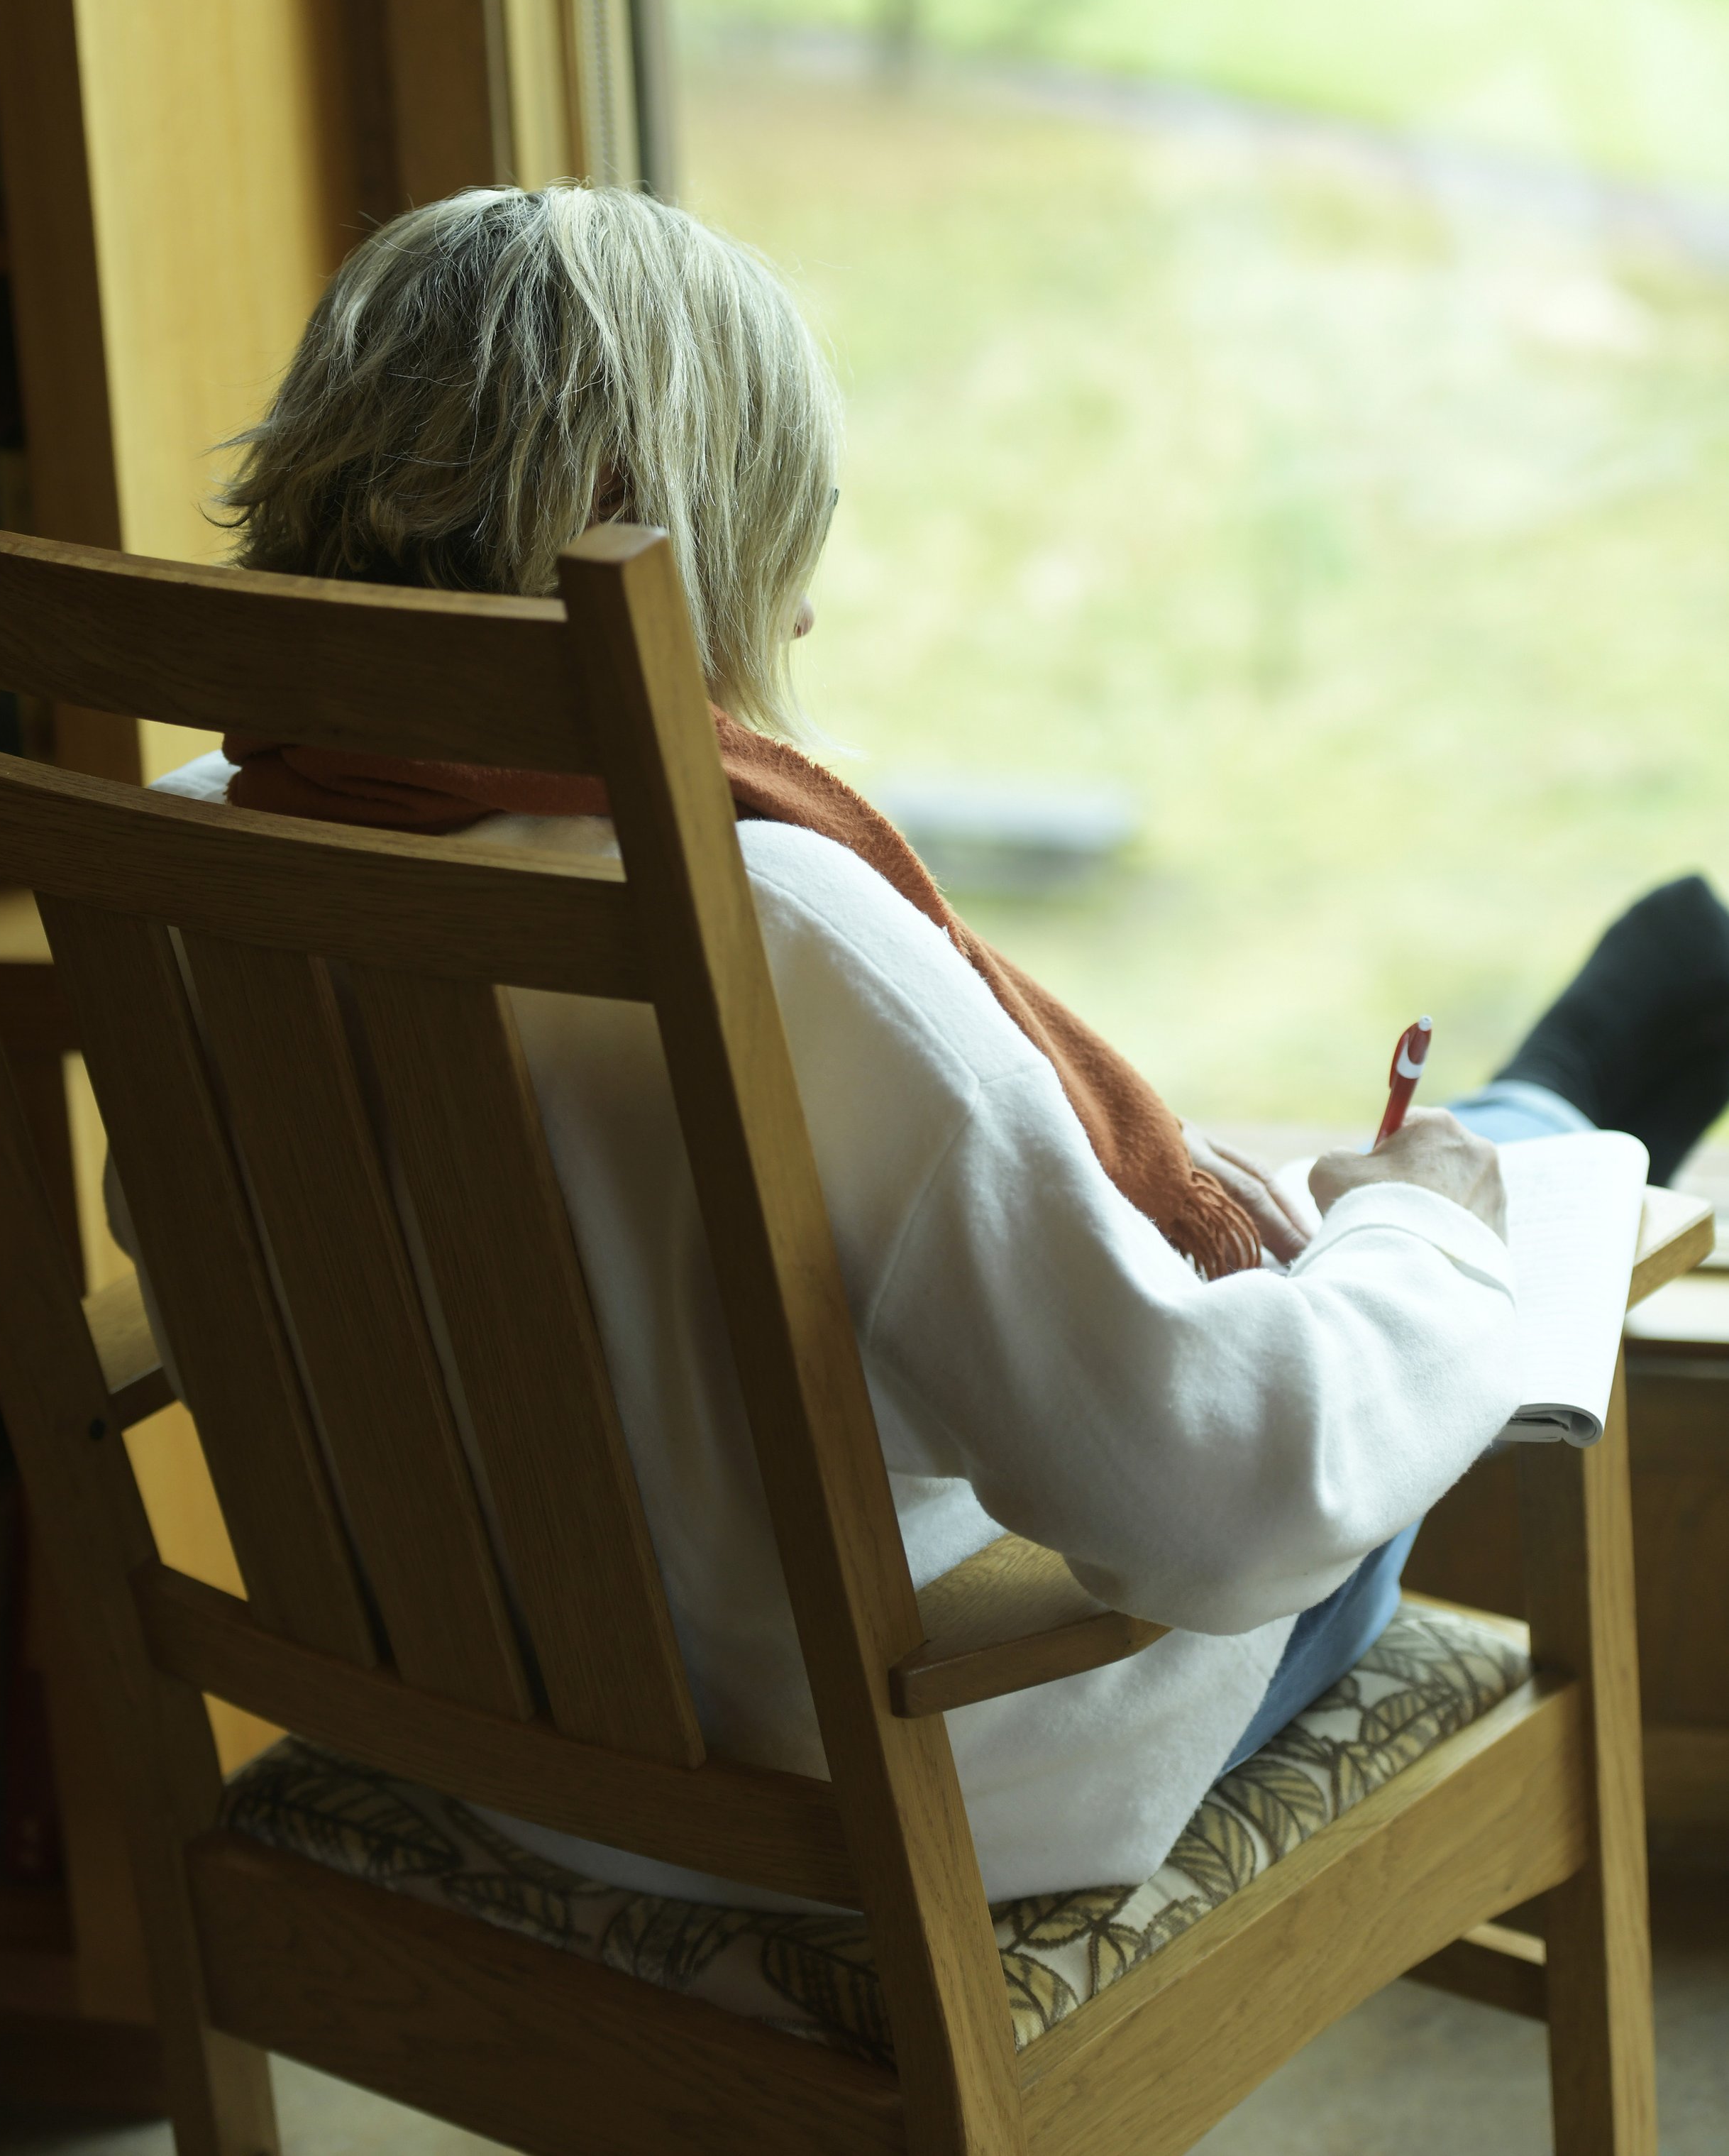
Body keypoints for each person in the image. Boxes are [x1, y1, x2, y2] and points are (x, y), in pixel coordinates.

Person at [123, 185, 1729, 1908]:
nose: (793, 618)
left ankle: (1566, 1078)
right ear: (616, 510)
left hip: (476, 1747)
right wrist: (1411, 1235)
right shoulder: (773, 937)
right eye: (774, 528)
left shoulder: (181, 848)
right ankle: (1551, 1100)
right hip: (888, 1788)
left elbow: (193, 1254)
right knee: (1441, 1256)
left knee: (1277, 1240)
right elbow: (1225, 1502)